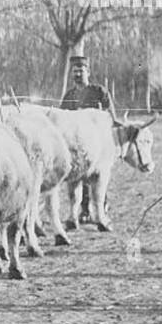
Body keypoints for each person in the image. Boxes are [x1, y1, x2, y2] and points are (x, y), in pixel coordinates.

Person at [60, 54, 113, 222]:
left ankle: (102, 207)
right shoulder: (69, 96)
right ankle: (84, 210)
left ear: (88, 72)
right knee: (79, 177)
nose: (77, 75)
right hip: (77, 143)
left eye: (81, 71)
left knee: (98, 176)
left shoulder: (99, 92)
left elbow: (110, 117)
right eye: (74, 71)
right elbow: (62, 119)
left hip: (98, 142)